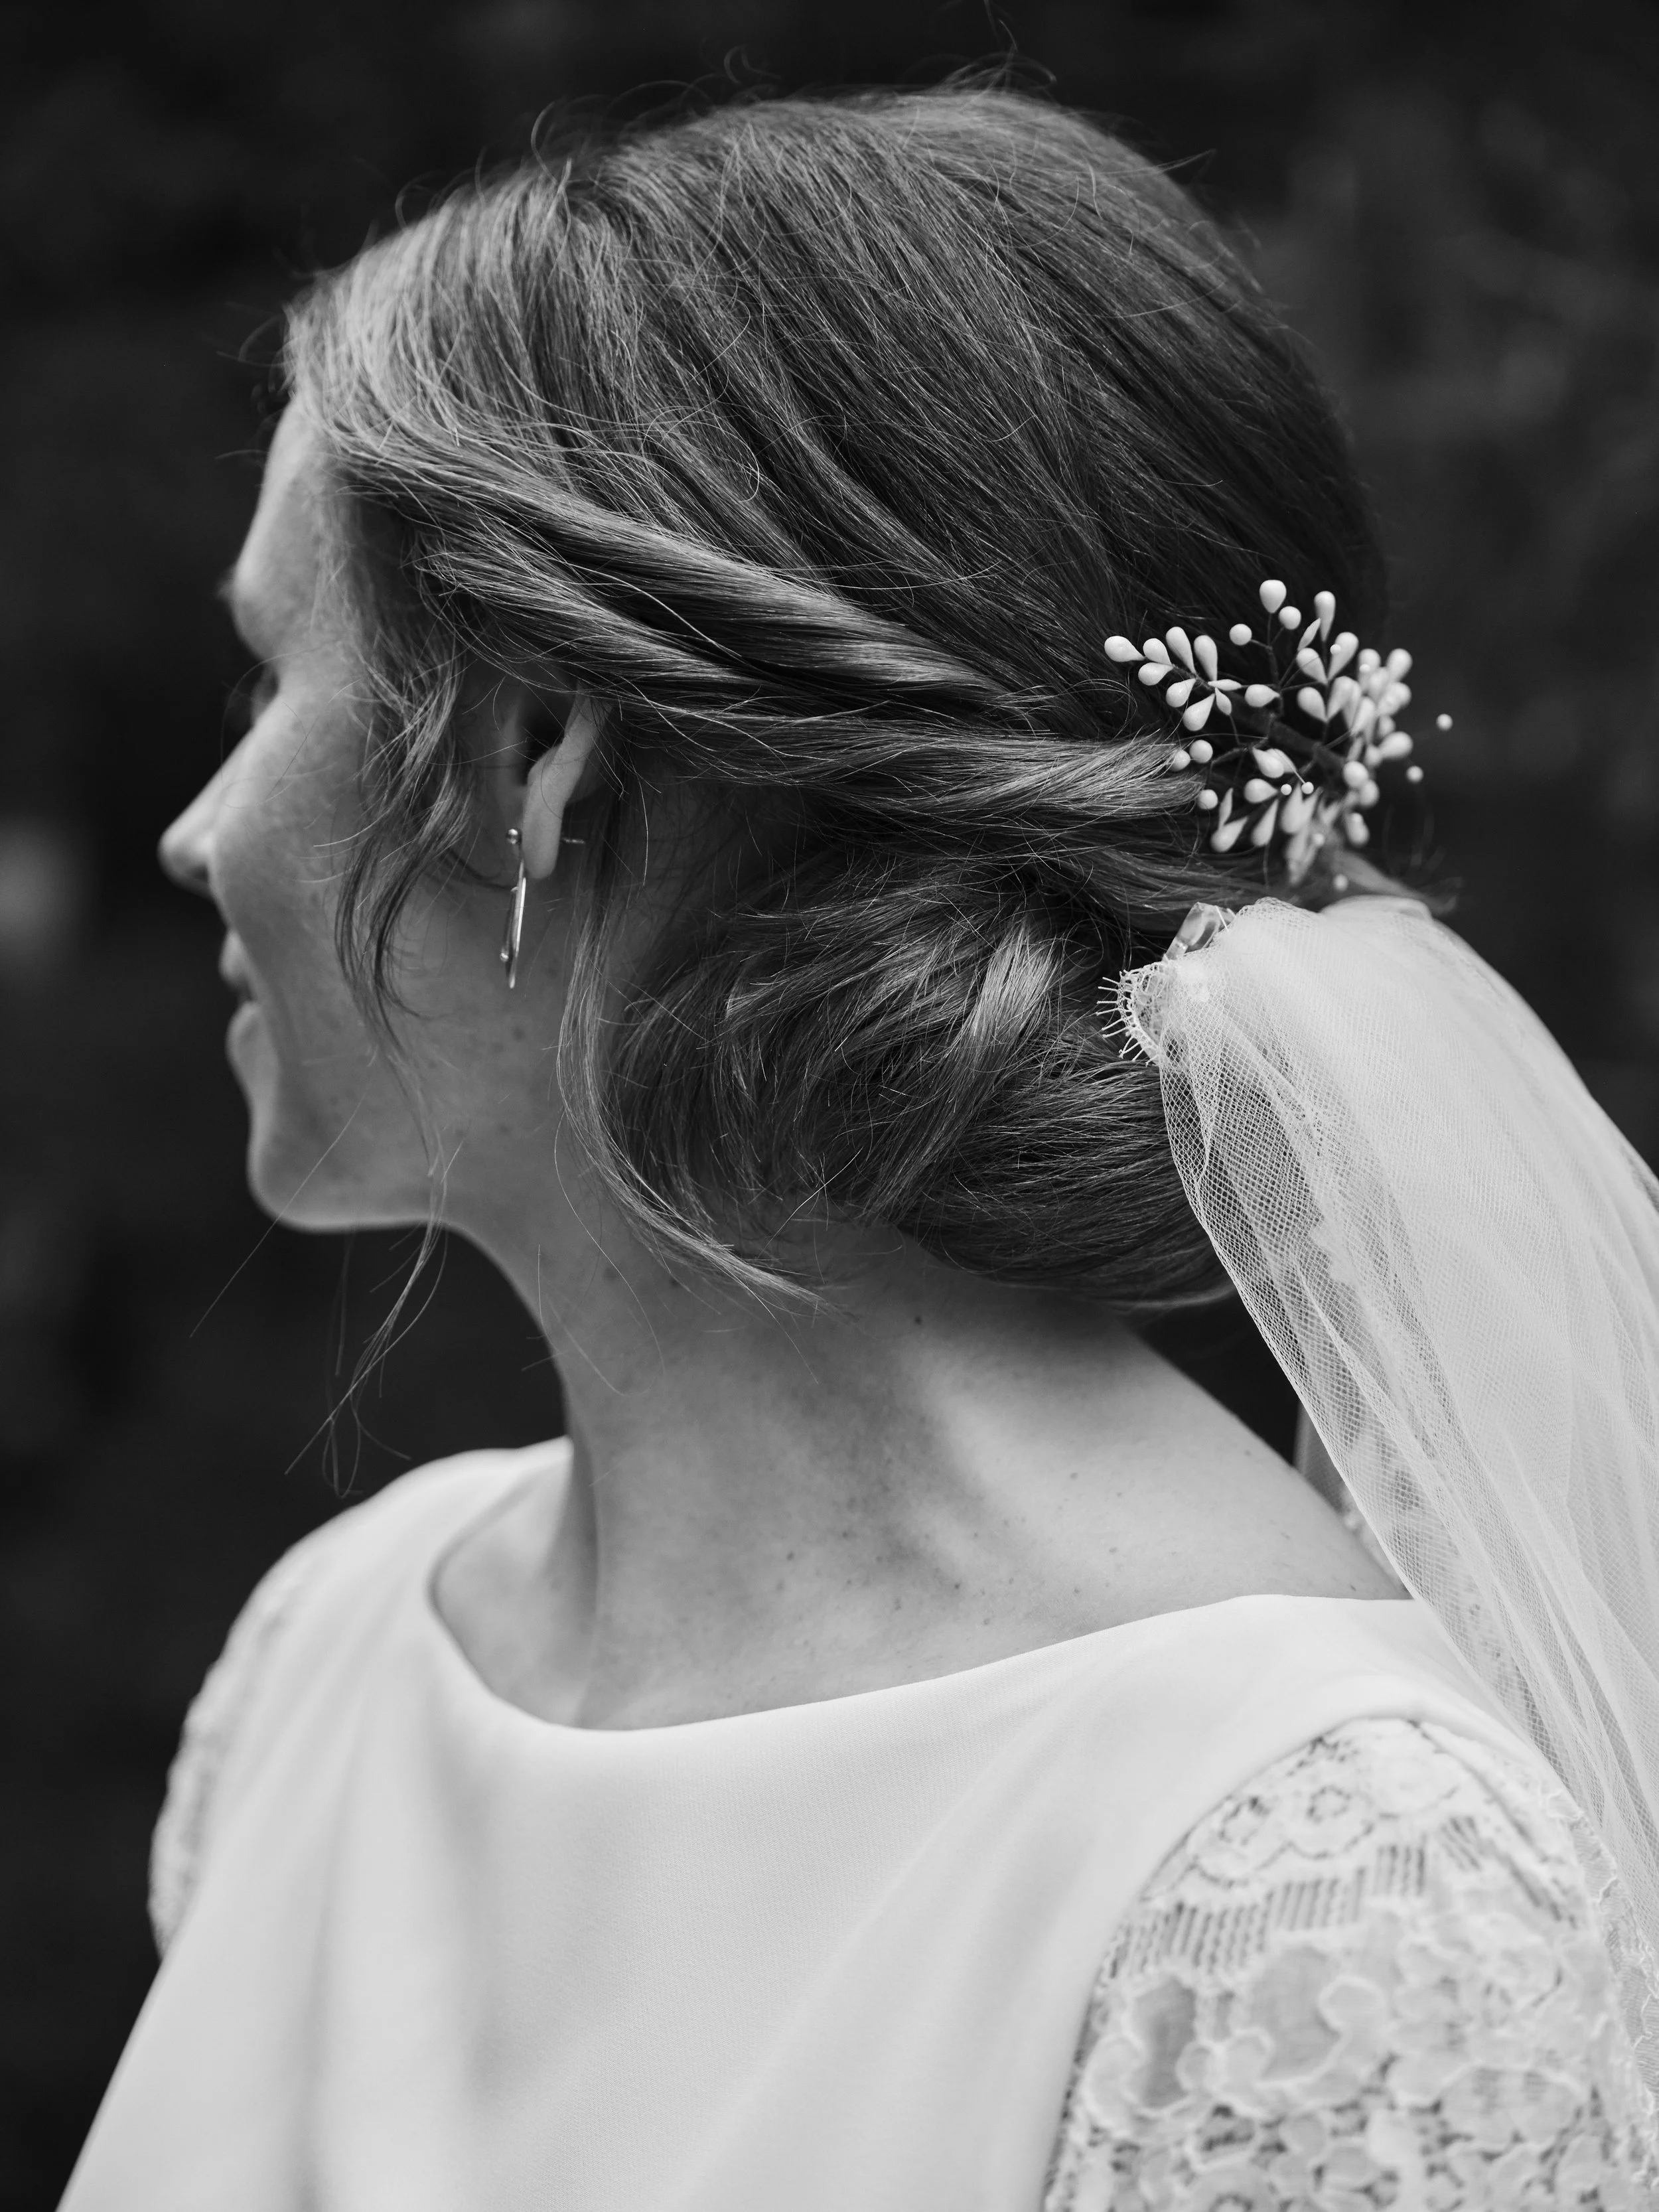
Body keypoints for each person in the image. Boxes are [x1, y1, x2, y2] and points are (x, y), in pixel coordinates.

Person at [62, 83, 1659, 2211]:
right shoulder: (337, 1645)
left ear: (531, 756)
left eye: (272, 677)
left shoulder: (1311, 1877)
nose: (196, 825)